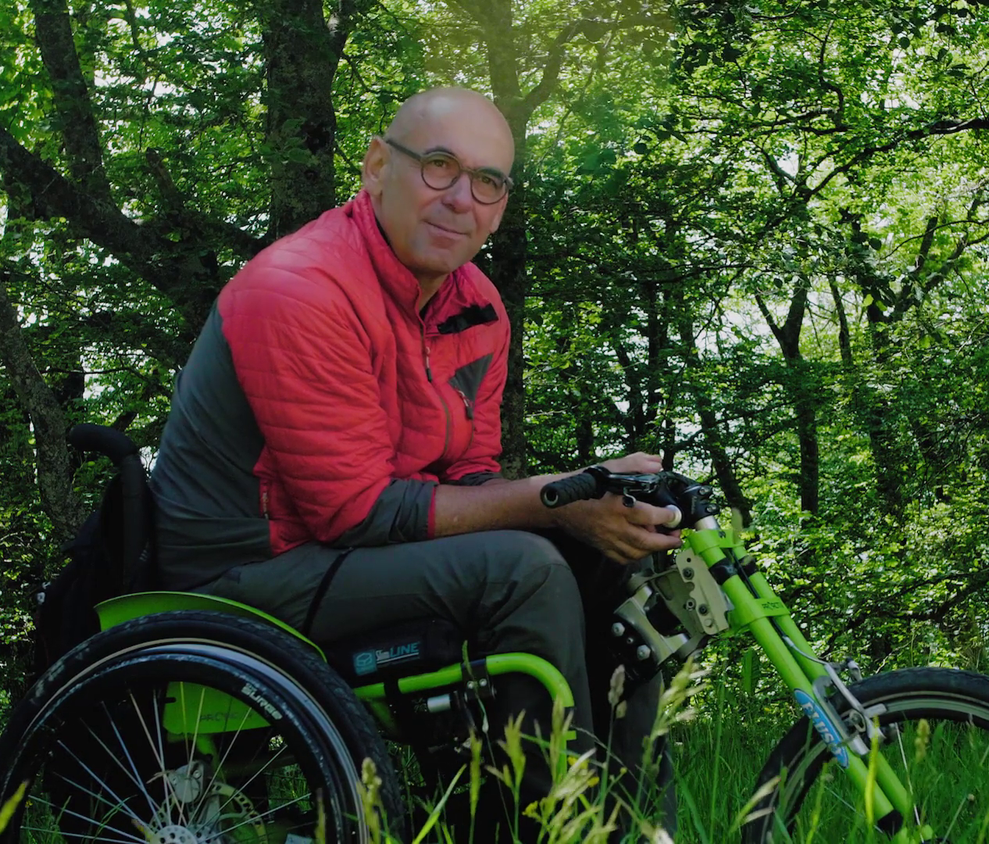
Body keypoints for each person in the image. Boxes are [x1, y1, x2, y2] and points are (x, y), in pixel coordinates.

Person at [149, 87, 682, 839]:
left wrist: (590, 505)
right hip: (243, 573)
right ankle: (544, 829)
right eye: (439, 166)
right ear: (377, 167)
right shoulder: (298, 287)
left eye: (488, 181)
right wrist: (553, 499)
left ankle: (622, 823)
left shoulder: (478, 307)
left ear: (500, 206)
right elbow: (355, 513)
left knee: (614, 552)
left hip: (345, 552)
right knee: (523, 570)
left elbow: (469, 475)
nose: (461, 199)